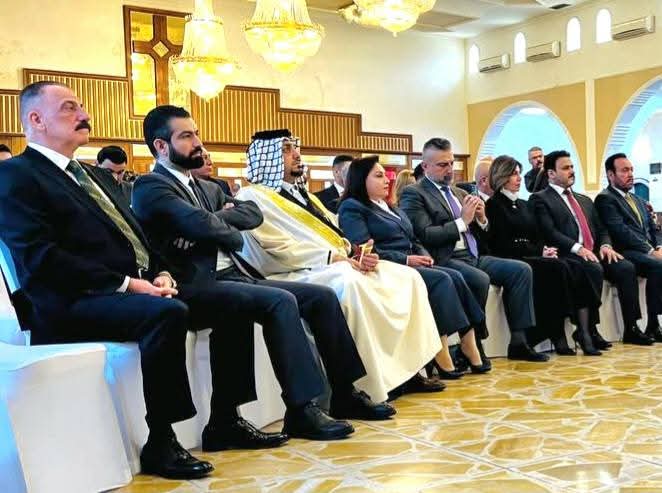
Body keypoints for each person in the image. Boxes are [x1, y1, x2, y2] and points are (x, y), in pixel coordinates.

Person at [132, 105, 393, 441]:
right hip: (190, 285)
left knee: (320, 296)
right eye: (186, 136)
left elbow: (251, 215)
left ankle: (344, 392)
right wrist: (218, 225)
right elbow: (206, 225)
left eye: (196, 133)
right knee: (279, 301)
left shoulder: (208, 188)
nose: (198, 142)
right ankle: (301, 409)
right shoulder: (151, 186)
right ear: (161, 146)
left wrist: (213, 224)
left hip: (233, 277)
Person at [0, 81, 212, 479]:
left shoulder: (94, 175)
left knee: (235, 300)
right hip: (64, 303)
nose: (84, 115)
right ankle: (161, 439)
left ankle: (227, 419)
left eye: (81, 106)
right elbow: (41, 259)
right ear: (36, 119)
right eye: (69, 108)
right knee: (165, 314)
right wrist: (128, 284)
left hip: (125, 290)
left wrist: (161, 272)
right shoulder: (14, 175)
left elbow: (136, 238)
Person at [236, 129, 444, 403]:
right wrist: (331, 257)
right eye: (286, 150)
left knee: (406, 277)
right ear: (267, 158)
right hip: (294, 271)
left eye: (295, 147)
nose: (296, 154)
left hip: (331, 263)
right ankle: (367, 384)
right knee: (350, 283)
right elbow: (275, 248)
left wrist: (356, 252)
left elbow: (335, 231)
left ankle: (408, 371)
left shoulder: (304, 196)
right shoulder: (253, 196)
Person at [338, 156, 489, 379]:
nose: (387, 180)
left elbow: (414, 239)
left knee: (456, 276)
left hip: (412, 262)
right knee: (442, 280)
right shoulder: (353, 207)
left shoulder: (391, 207)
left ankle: (469, 341)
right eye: (379, 176)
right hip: (387, 267)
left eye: (386, 175)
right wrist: (406, 260)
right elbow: (364, 248)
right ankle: (440, 349)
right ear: (361, 180)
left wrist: (425, 256)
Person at [400, 137, 547, 362]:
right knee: (478, 278)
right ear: (425, 166)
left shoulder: (460, 193)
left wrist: (482, 220)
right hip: (445, 257)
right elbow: (425, 234)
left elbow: (483, 235)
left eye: (451, 163)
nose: (450, 170)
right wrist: (462, 222)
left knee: (521, 270)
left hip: (473, 254)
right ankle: (474, 342)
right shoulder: (415, 193)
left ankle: (519, 341)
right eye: (442, 165)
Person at [530, 150, 653, 350]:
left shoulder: (584, 199)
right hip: (568, 253)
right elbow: (550, 232)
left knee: (625, 267)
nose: (572, 171)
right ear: (551, 173)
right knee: (592, 268)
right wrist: (578, 248)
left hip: (594, 251)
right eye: (566, 168)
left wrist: (605, 245)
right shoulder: (540, 198)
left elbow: (601, 229)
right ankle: (589, 329)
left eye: (572, 167)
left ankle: (631, 327)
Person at [486, 155, 603, 355]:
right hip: (513, 257)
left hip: (533, 255)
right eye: (513, 174)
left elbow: (537, 235)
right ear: (501, 177)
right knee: (557, 268)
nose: (519, 178)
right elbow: (502, 243)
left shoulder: (523, 204)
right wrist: (538, 251)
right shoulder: (494, 205)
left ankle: (584, 330)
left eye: (519, 173)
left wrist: (544, 249)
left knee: (576, 266)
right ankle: (557, 335)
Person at [595, 152, 662, 342]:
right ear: (611, 175)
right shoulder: (605, 199)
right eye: (624, 170)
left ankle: (653, 325)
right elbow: (620, 231)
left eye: (631, 170)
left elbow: (653, 228)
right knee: (657, 265)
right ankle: (635, 327)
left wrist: (659, 246)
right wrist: (650, 251)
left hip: (642, 251)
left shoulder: (638, 200)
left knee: (658, 264)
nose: (630, 174)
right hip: (623, 251)